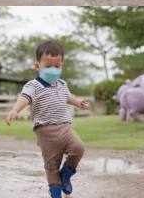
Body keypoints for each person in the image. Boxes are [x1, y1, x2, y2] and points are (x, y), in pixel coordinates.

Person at [5, 40, 89, 198]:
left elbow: (67, 97)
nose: (53, 70)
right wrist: (15, 110)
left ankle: (66, 174)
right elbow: (25, 97)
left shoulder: (62, 84)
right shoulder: (33, 85)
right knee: (52, 165)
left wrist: (77, 102)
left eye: (56, 66)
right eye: (48, 66)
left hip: (65, 128)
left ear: (61, 66)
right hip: (45, 131)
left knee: (78, 148)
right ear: (37, 66)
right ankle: (55, 191)